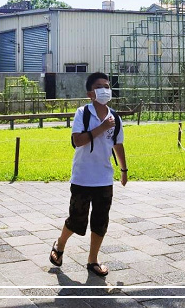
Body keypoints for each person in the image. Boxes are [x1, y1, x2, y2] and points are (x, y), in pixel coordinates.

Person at [49, 72, 127, 277]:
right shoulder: (82, 113)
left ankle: (93, 260)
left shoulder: (115, 117)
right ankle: (60, 244)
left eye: (107, 86)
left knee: (101, 221)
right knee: (76, 219)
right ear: (90, 93)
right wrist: (102, 128)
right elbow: (78, 141)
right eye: (100, 86)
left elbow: (118, 145)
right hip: (83, 177)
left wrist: (124, 170)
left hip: (104, 178)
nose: (105, 90)